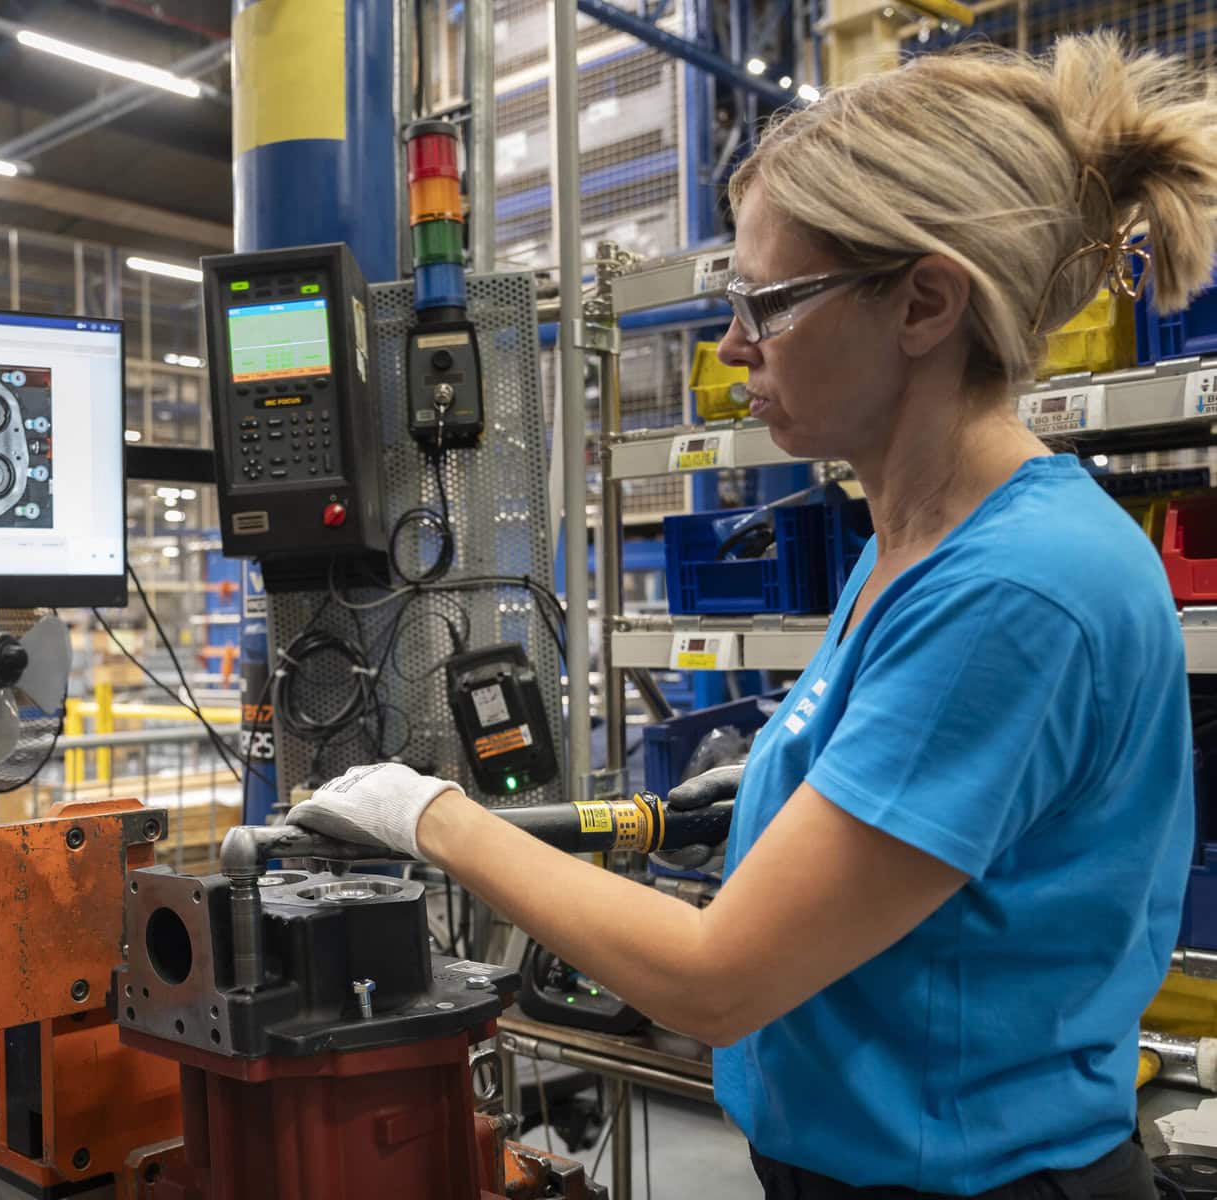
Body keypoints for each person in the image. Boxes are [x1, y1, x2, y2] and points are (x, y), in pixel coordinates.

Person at [287, 33, 1217, 1200]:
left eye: (766, 304)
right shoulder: (915, 536)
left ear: (922, 301)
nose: (732, 346)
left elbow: (714, 983)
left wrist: (433, 818)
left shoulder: (1009, 590)